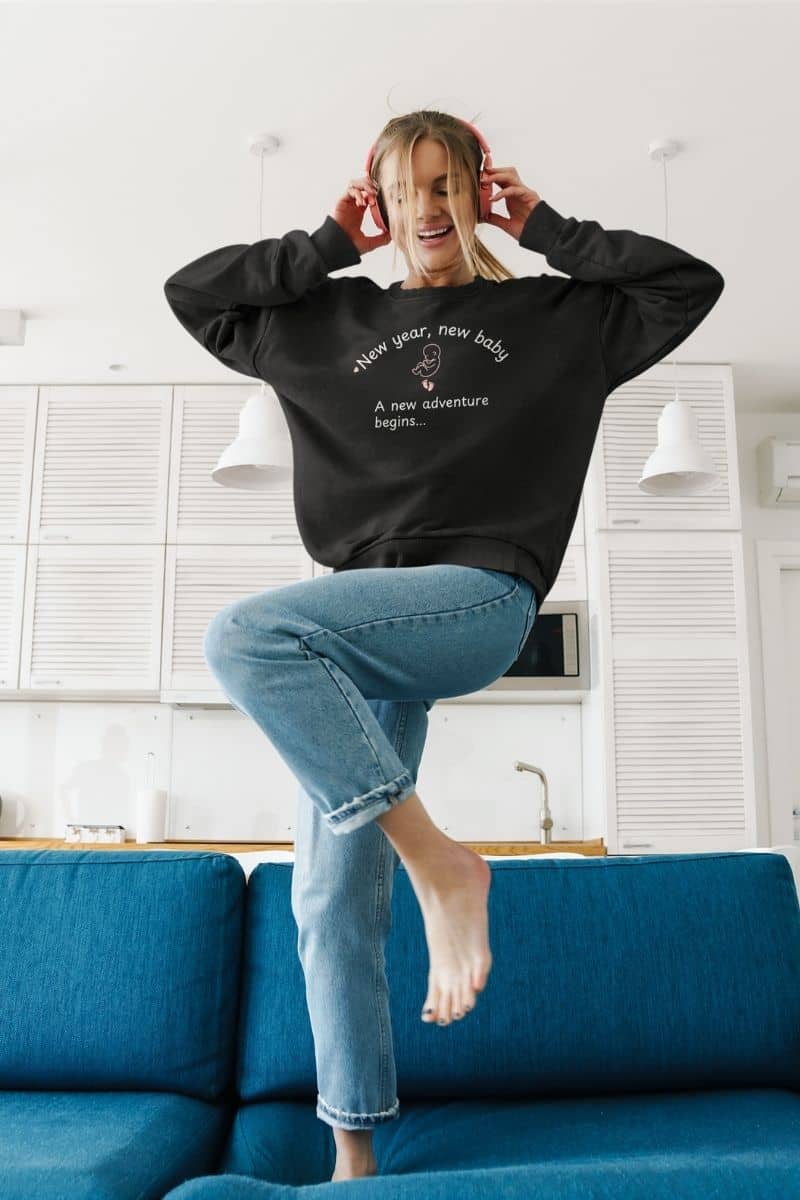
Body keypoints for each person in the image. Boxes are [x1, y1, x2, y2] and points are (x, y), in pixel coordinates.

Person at [163, 109, 724, 1180]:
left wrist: (549, 227)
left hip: (474, 596)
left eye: (446, 183)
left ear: (477, 190)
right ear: (377, 198)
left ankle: (442, 867)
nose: (427, 207)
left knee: (243, 634)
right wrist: (326, 245)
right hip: (348, 626)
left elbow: (682, 284)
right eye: (404, 186)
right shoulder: (323, 322)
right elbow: (194, 293)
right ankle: (355, 1156)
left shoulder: (554, 318)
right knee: (328, 896)